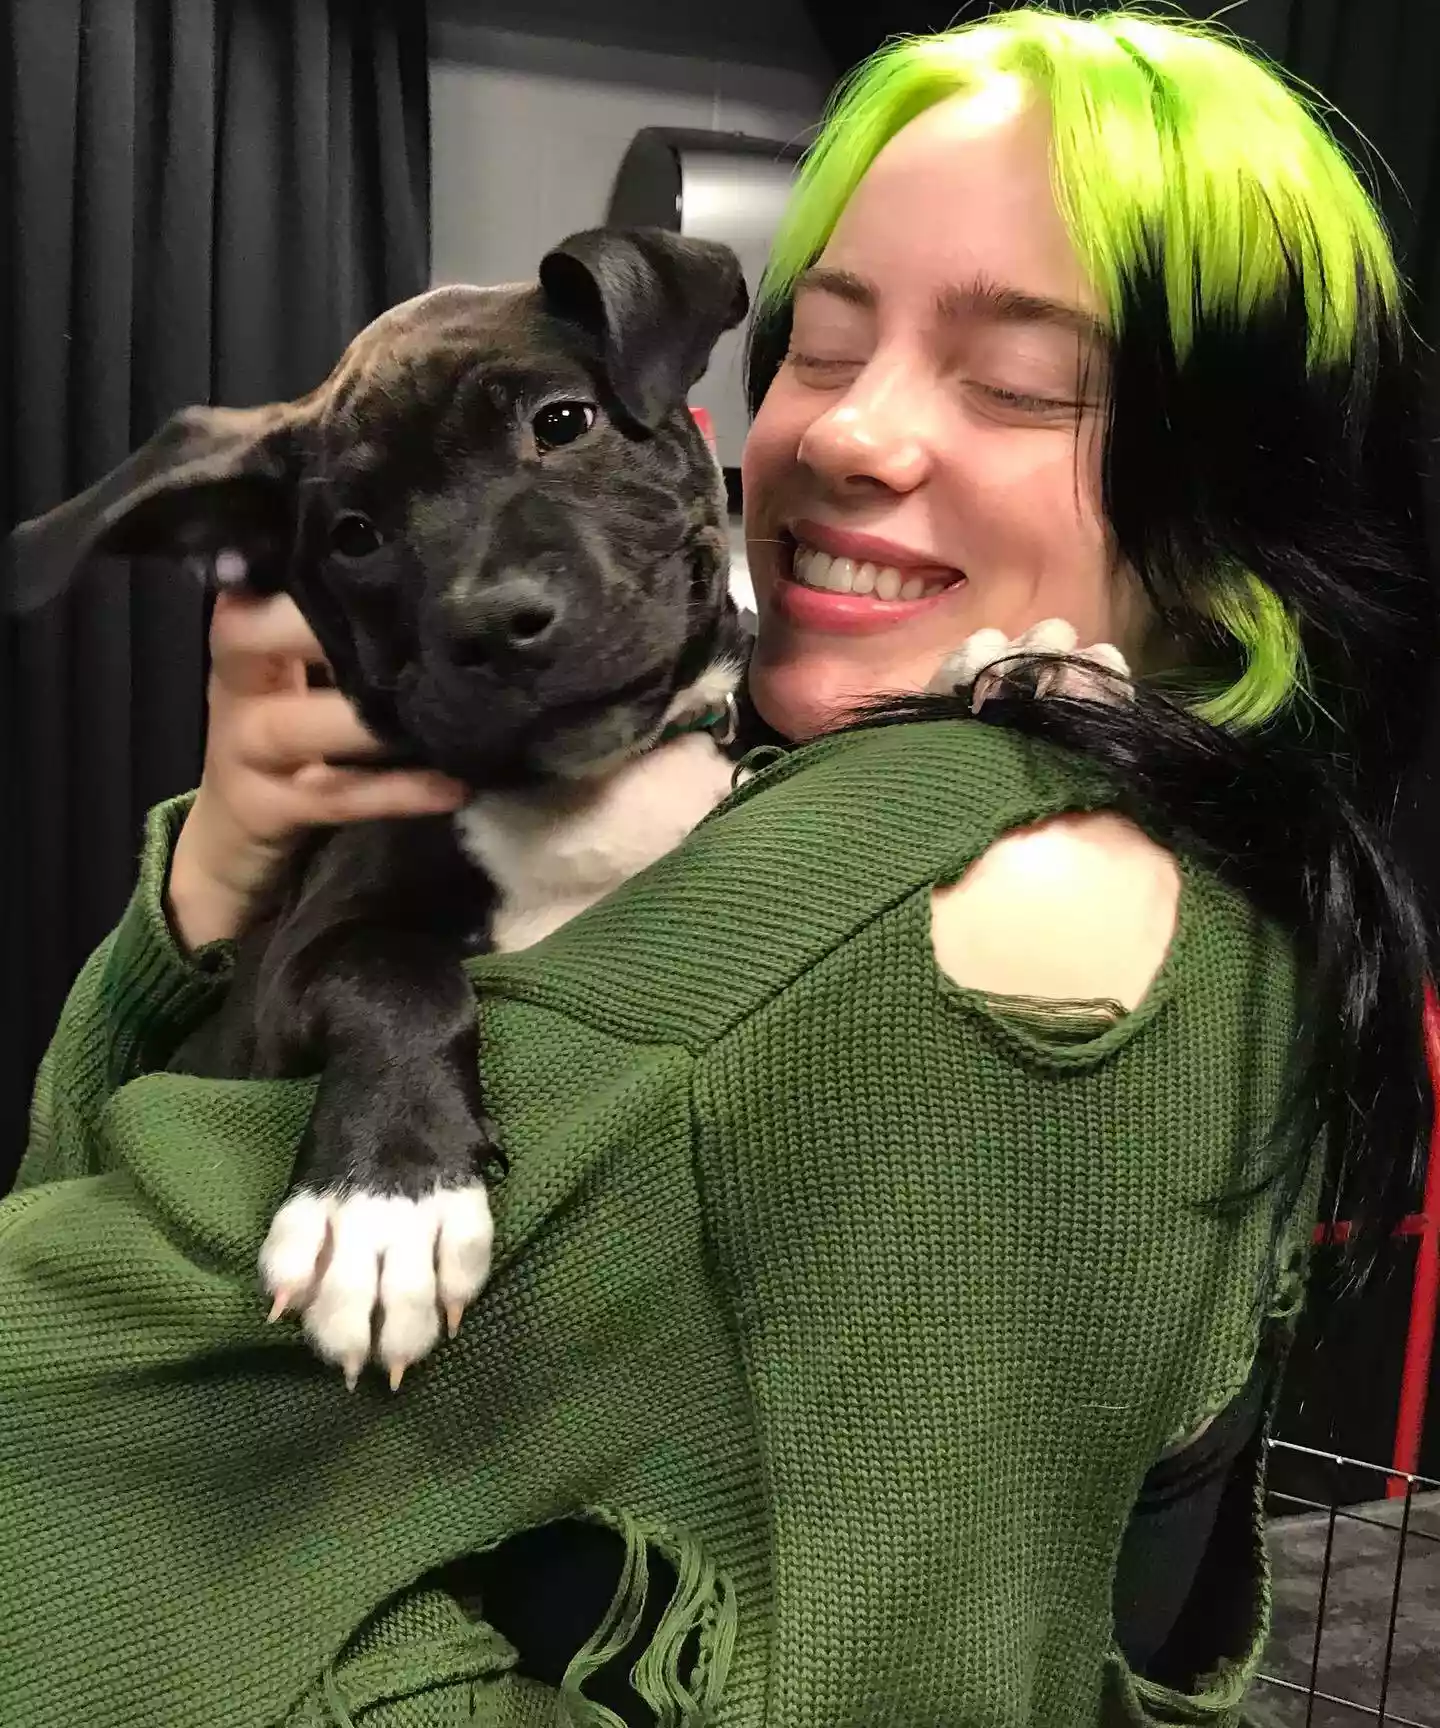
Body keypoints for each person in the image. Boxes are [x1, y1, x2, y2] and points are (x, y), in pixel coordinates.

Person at [1, 10, 1433, 1728]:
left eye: (1022, 382)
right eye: (817, 350)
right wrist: (217, 878)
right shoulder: (1025, 800)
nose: (844, 437)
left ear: (1237, 487)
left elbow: (74, 1413)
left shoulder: (946, 906)